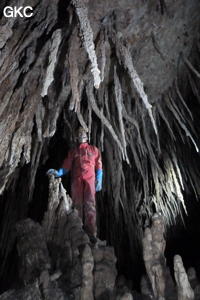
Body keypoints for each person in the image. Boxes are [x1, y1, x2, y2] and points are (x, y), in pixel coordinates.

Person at [47, 127, 103, 244]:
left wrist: (99, 178)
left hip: (90, 180)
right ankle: (78, 231)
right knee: (77, 204)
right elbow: (67, 165)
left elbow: (99, 166)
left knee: (90, 204)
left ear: (87, 136)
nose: (81, 135)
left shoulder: (94, 150)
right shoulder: (74, 151)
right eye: (79, 134)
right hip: (76, 180)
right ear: (77, 137)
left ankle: (91, 232)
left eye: (83, 134)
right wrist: (59, 173)